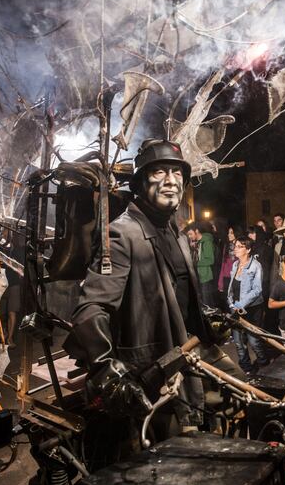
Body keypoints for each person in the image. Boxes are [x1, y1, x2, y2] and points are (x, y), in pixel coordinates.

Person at [64, 139, 239, 442]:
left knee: (241, 390)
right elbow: (91, 309)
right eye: (160, 172)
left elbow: (178, 295)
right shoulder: (123, 233)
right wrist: (107, 370)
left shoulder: (176, 233)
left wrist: (206, 320)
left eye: (177, 173)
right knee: (177, 455)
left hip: (190, 350)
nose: (171, 181)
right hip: (153, 365)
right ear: (141, 182)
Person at [227, 235, 269, 373]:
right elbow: (232, 287)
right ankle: (246, 368)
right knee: (238, 342)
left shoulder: (256, 266)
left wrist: (241, 304)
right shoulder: (235, 264)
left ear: (248, 249)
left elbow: (257, 290)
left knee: (254, 341)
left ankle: (264, 364)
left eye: (240, 246)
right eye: (235, 246)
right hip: (237, 308)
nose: (236, 249)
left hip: (252, 309)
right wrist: (231, 303)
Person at [194, 220, 217, 307]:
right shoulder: (199, 242)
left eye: (190, 233)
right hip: (200, 275)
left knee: (207, 302)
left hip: (206, 276)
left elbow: (210, 260)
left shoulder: (207, 241)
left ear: (196, 231)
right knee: (205, 301)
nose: (190, 236)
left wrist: (195, 263)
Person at [218, 226, 238, 296]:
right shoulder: (226, 246)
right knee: (228, 301)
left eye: (231, 233)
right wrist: (220, 283)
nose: (229, 234)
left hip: (237, 277)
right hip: (227, 277)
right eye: (228, 233)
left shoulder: (241, 246)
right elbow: (223, 265)